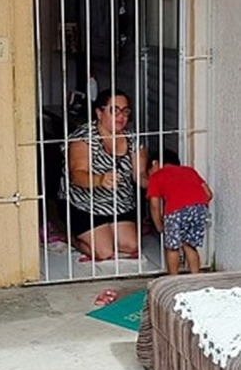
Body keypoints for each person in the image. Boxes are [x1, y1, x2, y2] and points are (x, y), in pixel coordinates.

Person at [59, 89, 148, 261]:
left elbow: (140, 175)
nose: (121, 116)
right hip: (84, 204)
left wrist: (158, 184)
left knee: (132, 246)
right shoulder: (83, 137)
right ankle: (70, 237)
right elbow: (76, 175)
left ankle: (106, 230)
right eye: (114, 110)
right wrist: (99, 179)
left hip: (120, 203)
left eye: (125, 111)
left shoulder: (133, 138)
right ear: (99, 112)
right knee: (104, 252)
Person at [147, 150, 213, 274]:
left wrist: (159, 225)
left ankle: (174, 279)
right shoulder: (189, 171)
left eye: (148, 172)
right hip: (199, 208)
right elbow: (208, 194)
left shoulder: (156, 176)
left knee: (173, 247)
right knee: (189, 245)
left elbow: (154, 205)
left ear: (155, 164)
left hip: (176, 211)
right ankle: (195, 277)